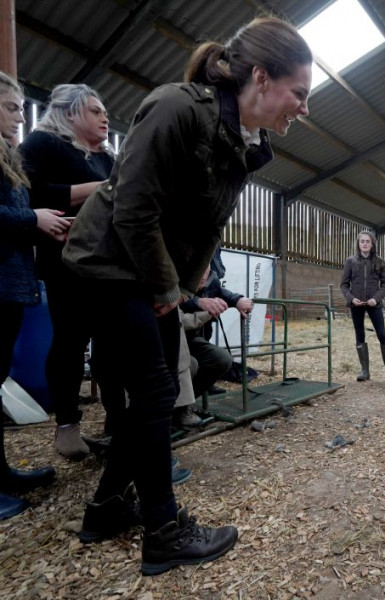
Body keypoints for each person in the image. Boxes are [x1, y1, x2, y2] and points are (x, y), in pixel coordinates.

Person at [62, 17, 312, 574]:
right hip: (107, 264)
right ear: (263, 78)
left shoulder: (245, 142)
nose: (303, 107)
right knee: (154, 394)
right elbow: (132, 210)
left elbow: (206, 226)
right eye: (299, 93)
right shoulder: (177, 107)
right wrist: (166, 288)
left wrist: (182, 285)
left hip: (145, 273)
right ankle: (164, 532)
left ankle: (105, 509)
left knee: (153, 396)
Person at [19, 84, 115, 460]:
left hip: (109, 263)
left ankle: (115, 421)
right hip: (66, 261)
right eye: (95, 110)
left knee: (112, 342)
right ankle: (67, 426)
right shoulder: (42, 144)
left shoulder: (109, 158)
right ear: (70, 114)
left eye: (104, 111)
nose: (105, 117)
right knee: (71, 341)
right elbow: (24, 190)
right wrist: (96, 189)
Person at [0, 72, 68, 519]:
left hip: (10, 283)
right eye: (10, 106)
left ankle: (1, 473)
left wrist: (44, 222)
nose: (19, 115)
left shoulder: (9, 157)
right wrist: (32, 220)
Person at [179, 264, 253, 424]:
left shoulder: (212, 280)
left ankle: (183, 406)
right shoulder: (175, 282)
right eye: (199, 273)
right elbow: (172, 303)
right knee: (189, 364)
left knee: (222, 359)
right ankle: (171, 408)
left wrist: (238, 299)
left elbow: (222, 293)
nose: (204, 278)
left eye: (206, 272)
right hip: (171, 338)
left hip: (192, 338)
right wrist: (199, 302)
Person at [340, 231, 385, 382]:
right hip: (356, 304)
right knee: (360, 334)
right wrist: (351, 298)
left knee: (382, 334)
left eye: (368, 241)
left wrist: (376, 298)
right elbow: (343, 285)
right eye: (362, 241)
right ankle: (364, 371)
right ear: (358, 243)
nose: (365, 244)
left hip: (374, 304)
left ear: (372, 244)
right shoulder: (351, 261)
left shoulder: (379, 262)